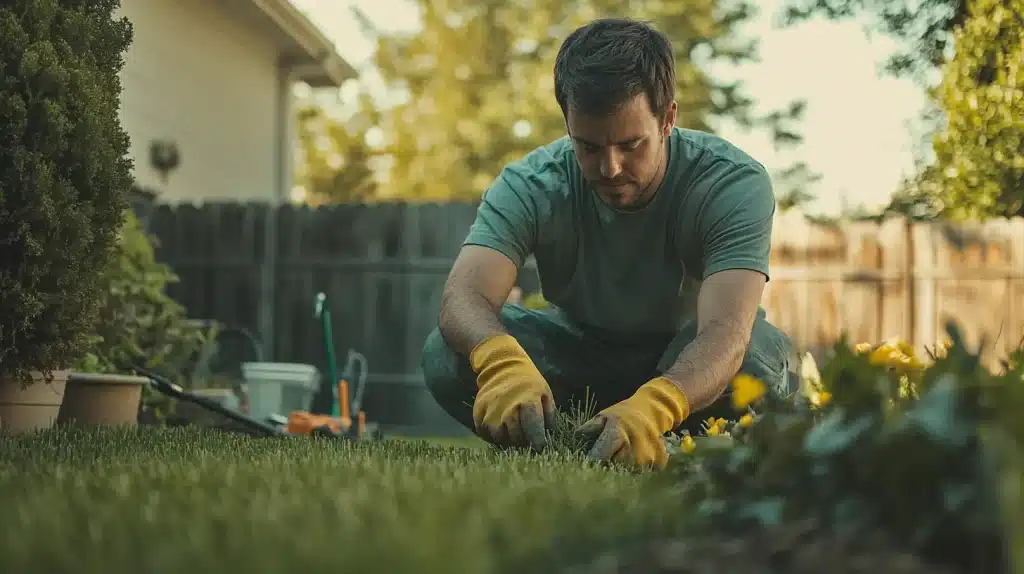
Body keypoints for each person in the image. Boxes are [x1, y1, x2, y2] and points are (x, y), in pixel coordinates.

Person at [420, 17, 795, 469]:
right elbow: (464, 295)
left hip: (687, 356)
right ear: (568, 125)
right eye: (589, 147)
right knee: (446, 355)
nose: (610, 167)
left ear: (668, 119)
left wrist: (657, 403)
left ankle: (658, 437)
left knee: (753, 361)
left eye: (631, 144)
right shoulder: (531, 183)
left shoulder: (731, 182)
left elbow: (725, 332)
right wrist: (502, 362)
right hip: (582, 357)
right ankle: (568, 443)